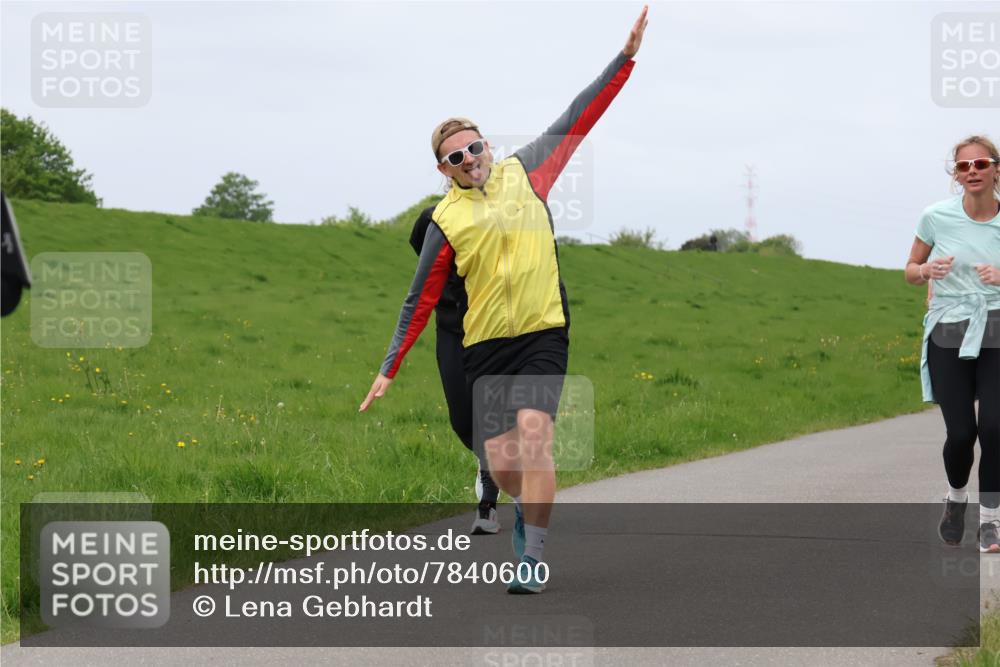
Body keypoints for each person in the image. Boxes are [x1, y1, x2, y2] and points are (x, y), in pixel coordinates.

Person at [361, 5, 649, 593]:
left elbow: (581, 115)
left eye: (475, 146)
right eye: (455, 156)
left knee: (538, 437)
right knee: (503, 465)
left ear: (488, 144)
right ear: (443, 169)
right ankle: (521, 508)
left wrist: (624, 59)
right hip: (485, 345)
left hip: (544, 333)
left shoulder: (530, 170)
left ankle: (533, 558)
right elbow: (418, 300)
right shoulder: (444, 221)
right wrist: (390, 366)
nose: (470, 159)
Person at [905, 135, 1000, 553]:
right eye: (964, 167)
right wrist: (927, 270)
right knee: (962, 433)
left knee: (996, 430)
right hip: (948, 331)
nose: (973, 172)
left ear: (997, 169)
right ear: (955, 175)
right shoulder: (935, 217)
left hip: (997, 327)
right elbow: (909, 269)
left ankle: (991, 521)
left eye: (981, 164)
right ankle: (957, 497)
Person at [409, 205, 502, 535]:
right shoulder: (430, 219)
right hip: (450, 327)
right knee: (462, 418)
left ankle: (489, 502)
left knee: (493, 410)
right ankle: (486, 459)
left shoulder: (496, 219)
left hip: (493, 327)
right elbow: (422, 250)